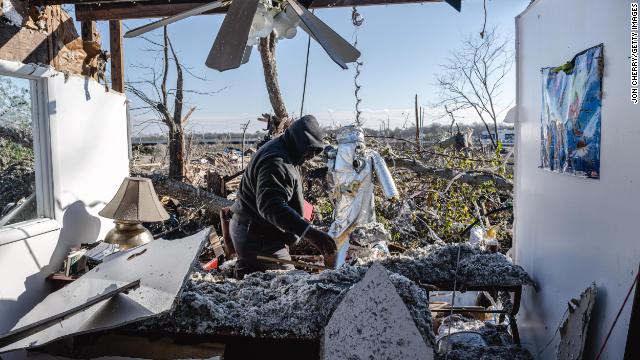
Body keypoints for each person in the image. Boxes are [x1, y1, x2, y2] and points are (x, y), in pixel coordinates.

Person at [230, 115, 337, 278]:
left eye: (316, 151)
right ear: (300, 142)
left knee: (256, 274)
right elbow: (270, 205)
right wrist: (309, 233)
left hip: (252, 231)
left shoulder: (284, 149)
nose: (311, 156)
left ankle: (246, 270)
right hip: (259, 240)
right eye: (310, 150)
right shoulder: (277, 161)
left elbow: (280, 191)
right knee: (287, 284)